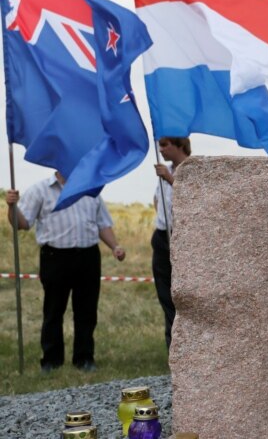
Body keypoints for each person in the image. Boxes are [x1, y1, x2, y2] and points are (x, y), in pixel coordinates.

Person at [5, 172, 125, 372]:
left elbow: (103, 223)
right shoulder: (40, 189)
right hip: (55, 257)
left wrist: (115, 246)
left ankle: (84, 358)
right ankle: (51, 360)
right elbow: (22, 224)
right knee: (53, 310)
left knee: (86, 311)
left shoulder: (90, 188)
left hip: (88, 256)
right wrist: (11, 206)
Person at [152, 136, 191, 348]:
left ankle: (188, 347)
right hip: (161, 236)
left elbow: (194, 199)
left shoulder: (194, 169)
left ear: (179, 145)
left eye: (165, 145)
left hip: (185, 237)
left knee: (183, 297)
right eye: (160, 146)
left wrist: (170, 179)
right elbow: (157, 200)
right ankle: (172, 347)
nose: (161, 150)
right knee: (165, 295)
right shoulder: (163, 170)